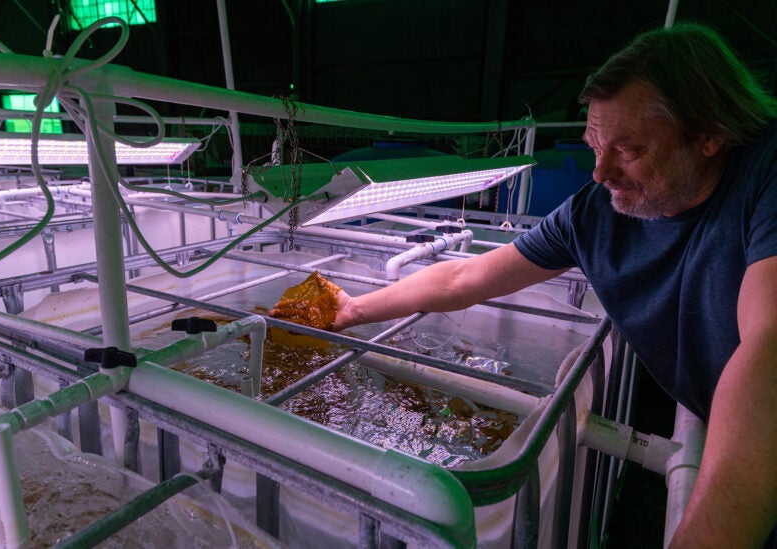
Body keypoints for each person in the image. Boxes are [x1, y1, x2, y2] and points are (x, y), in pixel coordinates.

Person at [279, 23, 777, 548]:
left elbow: (768, 347)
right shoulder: (593, 216)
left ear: (708, 135)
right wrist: (354, 310)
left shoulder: (765, 175)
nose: (599, 172)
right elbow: (466, 274)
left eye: (628, 150)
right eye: (593, 145)